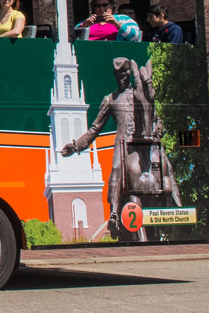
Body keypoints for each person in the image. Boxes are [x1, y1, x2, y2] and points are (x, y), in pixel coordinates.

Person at [61, 57, 185, 241]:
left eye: (125, 73)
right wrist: (76, 145)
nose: (122, 77)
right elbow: (95, 128)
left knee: (164, 160)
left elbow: (153, 114)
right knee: (117, 170)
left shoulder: (138, 93)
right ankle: (114, 214)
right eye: (118, 74)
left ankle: (176, 200)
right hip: (123, 144)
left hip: (143, 140)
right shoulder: (110, 99)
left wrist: (159, 127)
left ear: (129, 74)